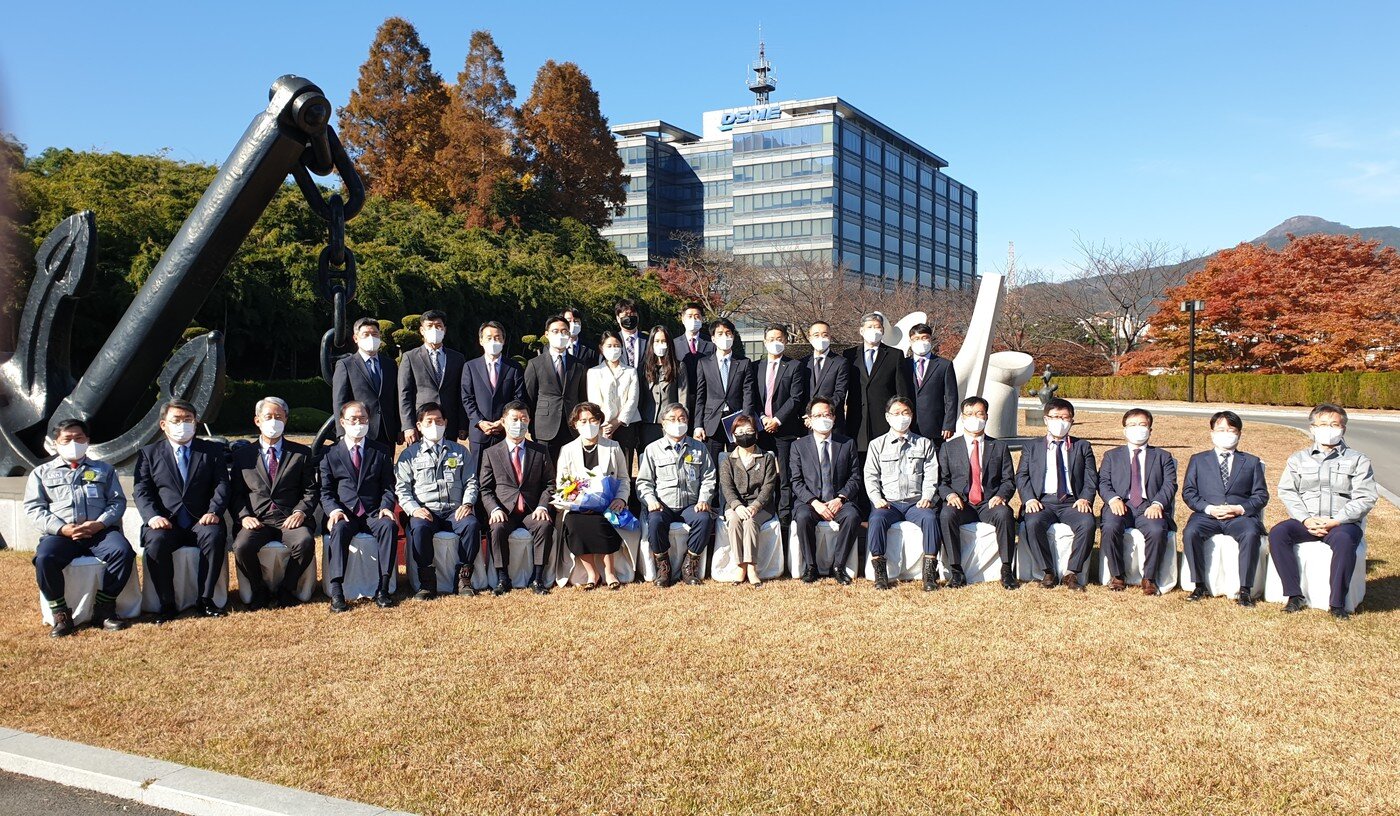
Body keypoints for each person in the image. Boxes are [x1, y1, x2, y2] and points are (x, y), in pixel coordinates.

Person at [25, 419, 134, 636]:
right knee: (45, 558)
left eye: (79, 438)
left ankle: (104, 608)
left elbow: (117, 502)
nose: (74, 442)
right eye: (67, 439)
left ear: (87, 441)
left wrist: (100, 523)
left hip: (99, 532)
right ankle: (61, 615)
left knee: (123, 552)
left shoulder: (104, 469)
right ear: (55, 443)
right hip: (62, 535)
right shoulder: (41, 473)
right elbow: (34, 509)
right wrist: (62, 528)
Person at [1268, 403, 1377, 618]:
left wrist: (1336, 520)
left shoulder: (1358, 460)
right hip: (1306, 522)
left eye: (1335, 425)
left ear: (1343, 429)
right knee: (1278, 532)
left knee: (1345, 541)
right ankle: (1294, 595)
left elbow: (1366, 497)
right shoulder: (1297, 459)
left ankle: (1337, 603)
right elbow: (1288, 492)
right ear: (1312, 428)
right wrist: (1306, 520)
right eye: (1323, 424)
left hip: (1341, 524)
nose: (1329, 428)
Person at [134, 399, 229, 623]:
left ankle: (205, 600)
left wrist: (214, 511)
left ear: (195, 424)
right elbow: (141, 490)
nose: (182, 424)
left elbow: (222, 485)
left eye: (188, 420)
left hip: (201, 519)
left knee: (214, 536)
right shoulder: (149, 453)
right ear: (163, 424)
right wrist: (153, 517)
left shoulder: (211, 451)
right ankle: (166, 603)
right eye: (176, 420)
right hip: (165, 522)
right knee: (156, 543)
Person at [229, 397, 318, 611]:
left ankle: (286, 589)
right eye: (268, 417)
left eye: (278, 417)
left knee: (305, 542)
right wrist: (244, 517)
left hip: (289, 519)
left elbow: (311, 490)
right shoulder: (243, 455)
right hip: (257, 521)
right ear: (257, 420)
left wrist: (300, 512)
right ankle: (259, 589)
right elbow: (236, 493)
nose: (273, 421)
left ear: (286, 420)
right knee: (241, 546)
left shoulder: (301, 453)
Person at [1181, 411, 1270, 606]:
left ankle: (1245, 590)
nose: (1226, 433)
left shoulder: (1251, 462)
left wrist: (1239, 509)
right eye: (1221, 430)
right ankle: (1199, 585)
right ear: (1212, 433)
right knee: (1191, 532)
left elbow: (1261, 495)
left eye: (1231, 430)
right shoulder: (1198, 459)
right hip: (1207, 516)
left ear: (1239, 434)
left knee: (1250, 534)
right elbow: (1188, 492)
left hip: (1239, 517)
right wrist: (1209, 509)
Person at [395, 402, 480, 600]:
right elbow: (402, 488)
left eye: (439, 421)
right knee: (419, 529)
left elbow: (471, 481)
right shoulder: (409, 455)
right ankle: (426, 583)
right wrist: (414, 509)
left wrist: (467, 503)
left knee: (472, 525)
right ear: (419, 425)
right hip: (426, 511)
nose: (435, 425)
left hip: (454, 510)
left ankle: (464, 579)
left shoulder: (460, 451)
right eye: (429, 421)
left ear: (446, 423)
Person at [320, 401, 398, 612]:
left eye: (363, 419)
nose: (359, 423)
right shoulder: (330, 453)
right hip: (345, 513)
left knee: (389, 526)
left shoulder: (380, 451)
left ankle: (383, 588)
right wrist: (334, 511)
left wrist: (386, 506)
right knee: (338, 529)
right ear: (343, 422)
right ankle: (337, 591)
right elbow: (325, 491)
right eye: (354, 419)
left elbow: (389, 487)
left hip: (373, 511)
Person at [1015, 397, 1098, 591]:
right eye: (1054, 417)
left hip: (1072, 502)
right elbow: (1022, 475)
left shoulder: (1082, 446)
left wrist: (1085, 498)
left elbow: (1091, 476)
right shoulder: (1032, 446)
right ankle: (1048, 571)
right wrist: (1029, 499)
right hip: (1042, 501)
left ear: (1071, 421)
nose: (1059, 422)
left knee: (1087, 523)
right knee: (1033, 522)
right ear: (1045, 419)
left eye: (1064, 417)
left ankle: (1072, 573)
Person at [937, 397, 1017, 590]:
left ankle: (1006, 569)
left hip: (988, 503)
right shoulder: (949, 447)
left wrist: (1001, 496)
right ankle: (956, 571)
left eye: (979, 414)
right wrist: (950, 496)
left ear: (986, 416)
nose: (975, 418)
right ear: (962, 418)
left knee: (1005, 514)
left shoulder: (999, 447)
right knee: (946, 514)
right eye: (970, 414)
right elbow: (941, 481)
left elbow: (1008, 480)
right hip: (961, 503)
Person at [636, 402, 717, 588]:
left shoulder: (699, 448)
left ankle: (690, 564)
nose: (677, 422)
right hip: (663, 505)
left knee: (704, 519)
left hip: (691, 504)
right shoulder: (652, 449)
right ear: (663, 424)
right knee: (655, 521)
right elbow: (644, 482)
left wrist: (704, 498)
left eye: (682, 419)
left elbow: (709, 477)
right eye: (672, 419)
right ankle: (663, 567)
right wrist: (651, 500)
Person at [1097, 409, 1177, 595]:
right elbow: (1103, 482)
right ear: (1124, 430)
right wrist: (1113, 499)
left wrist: (1158, 503)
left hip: (1149, 507)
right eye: (1132, 425)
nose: (1137, 429)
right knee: (1109, 527)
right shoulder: (1111, 455)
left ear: (1150, 429)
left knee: (1157, 529)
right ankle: (1117, 575)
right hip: (1120, 505)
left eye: (1142, 425)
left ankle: (1149, 578)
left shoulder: (1163, 456)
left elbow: (1170, 484)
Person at [479, 401, 555, 596]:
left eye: (524, 419)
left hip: (531, 510)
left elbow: (550, 484)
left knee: (544, 525)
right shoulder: (491, 453)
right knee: (497, 528)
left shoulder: (540, 451)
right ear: (503, 422)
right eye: (514, 419)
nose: (519, 424)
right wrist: (494, 509)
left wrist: (542, 506)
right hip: (505, 511)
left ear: (529, 421)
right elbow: (485, 488)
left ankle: (537, 578)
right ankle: (503, 578)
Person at [864, 396, 940, 591]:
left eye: (905, 413)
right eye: (896, 413)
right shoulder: (877, 445)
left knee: (930, 518)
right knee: (877, 520)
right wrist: (877, 499)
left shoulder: (924, 444)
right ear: (888, 417)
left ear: (912, 416)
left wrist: (927, 497)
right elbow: (870, 476)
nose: (901, 417)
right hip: (889, 503)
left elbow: (932, 474)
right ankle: (880, 573)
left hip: (916, 503)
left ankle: (929, 574)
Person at [556, 402, 630, 589]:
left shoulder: (613, 447)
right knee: (574, 524)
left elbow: (623, 478)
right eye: (583, 421)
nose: (588, 424)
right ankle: (592, 573)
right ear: (575, 424)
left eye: (593, 420)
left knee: (604, 520)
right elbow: (562, 483)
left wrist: (620, 498)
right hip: (578, 506)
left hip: (608, 504)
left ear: (599, 421)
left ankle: (610, 572)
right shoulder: (567, 450)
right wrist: (575, 499)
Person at [789, 397, 862, 584]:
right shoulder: (798, 446)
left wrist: (841, 499)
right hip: (811, 502)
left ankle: (839, 565)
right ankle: (811, 566)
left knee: (852, 516)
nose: (823, 418)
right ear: (810, 420)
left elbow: (855, 477)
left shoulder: (847, 444)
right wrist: (815, 503)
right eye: (817, 415)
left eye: (826, 414)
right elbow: (796, 481)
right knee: (803, 517)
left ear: (834, 417)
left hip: (838, 501)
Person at [754, 324, 807, 530]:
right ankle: (764, 509)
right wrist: (761, 418)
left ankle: (784, 513)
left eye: (780, 339)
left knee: (785, 473)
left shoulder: (794, 366)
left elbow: (796, 397)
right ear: (765, 341)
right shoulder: (755, 366)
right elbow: (752, 396)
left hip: (785, 428)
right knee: (762, 473)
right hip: (761, 428)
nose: (775, 343)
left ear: (785, 341)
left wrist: (777, 419)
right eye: (771, 339)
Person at [719, 414, 779, 586]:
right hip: (735, 505)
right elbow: (727, 487)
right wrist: (737, 506)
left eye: (749, 430)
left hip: (761, 506)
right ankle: (740, 565)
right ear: (733, 435)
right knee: (735, 520)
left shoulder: (767, 457)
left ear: (756, 434)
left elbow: (769, 486)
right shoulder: (727, 460)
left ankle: (751, 566)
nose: (744, 434)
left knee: (751, 522)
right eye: (740, 431)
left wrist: (756, 506)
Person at [843, 312, 909, 463]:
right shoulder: (849, 355)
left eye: (877, 327)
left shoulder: (895, 355)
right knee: (859, 462)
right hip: (857, 418)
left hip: (884, 419)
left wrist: (901, 416)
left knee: (885, 461)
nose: (874, 330)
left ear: (883, 331)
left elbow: (901, 391)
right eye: (870, 327)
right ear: (861, 330)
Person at [398, 309, 466, 444]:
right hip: (422, 423)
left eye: (438, 326)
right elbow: (404, 393)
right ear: (422, 330)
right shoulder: (410, 357)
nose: (434, 329)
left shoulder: (457, 358)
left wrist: (463, 425)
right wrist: (408, 426)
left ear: (444, 330)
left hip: (448, 423)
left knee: (449, 461)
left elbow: (462, 393)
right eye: (429, 326)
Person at [525, 314, 587, 460]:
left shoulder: (579, 365)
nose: (561, 334)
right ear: (546, 334)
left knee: (571, 473)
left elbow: (583, 397)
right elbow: (529, 398)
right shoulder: (535, 364)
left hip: (571, 427)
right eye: (555, 331)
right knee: (546, 473)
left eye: (564, 331)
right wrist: (531, 426)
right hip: (545, 427)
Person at [693, 318, 756, 463]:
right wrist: (698, 425)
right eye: (720, 334)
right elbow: (700, 396)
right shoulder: (704, 363)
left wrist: (746, 422)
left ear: (733, 336)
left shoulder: (744, 363)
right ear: (713, 339)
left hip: (736, 421)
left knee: (738, 463)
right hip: (712, 422)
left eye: (728, 333)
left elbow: (748, 394)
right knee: (712, 465)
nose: (725, 337)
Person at [332, 317, 401, 446]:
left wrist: (399, 428)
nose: (371, 337)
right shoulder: (346, 365)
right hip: (358, 429)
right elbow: (339, 401)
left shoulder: (390, 364)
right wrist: (342, 432)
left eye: (375, 334)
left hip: (387, 432)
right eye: (366, 334)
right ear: (356, 338)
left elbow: (395, 397)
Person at [462, 321, 527, 453]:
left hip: (505, 431)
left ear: (503, 340)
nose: (493, 341)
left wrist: (503, 421)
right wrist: (479, 421)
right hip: (479, 433)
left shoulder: (514, 367)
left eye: (497, 337)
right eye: (489, 338)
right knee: (477, 472)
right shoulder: (470, 366)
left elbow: (518, 398)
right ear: (481, 341)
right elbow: (467, 398)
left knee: (504, 472)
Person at [586, 330, 641, 470]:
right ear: (601, 348)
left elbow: (633, 399)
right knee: (603, 466)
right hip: (602, 426)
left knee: (624, 465)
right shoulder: (594, 372)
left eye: (616, 345)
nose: (613, 349)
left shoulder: (630, 371)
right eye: (609, 346)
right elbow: (594, 400)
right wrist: (605, 424)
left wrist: (618, 421)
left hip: (625, 425)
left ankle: (625, 492)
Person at [900, 323, 958, 448]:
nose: (920, 341)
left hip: (935, 428)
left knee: (935, 464)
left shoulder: (944, 365)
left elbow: (951, 397)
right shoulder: (902, 365)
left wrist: (949, 424)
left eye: (924, 337)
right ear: (910, 341)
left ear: (931, 339)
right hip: (907, 424)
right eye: (916, 338)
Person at [640, 325, 690, 449]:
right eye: (657, 341)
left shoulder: (679, 367)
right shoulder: (643, 367)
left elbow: (683, 397)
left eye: (663, 341)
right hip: (648, 423)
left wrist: (681, 421)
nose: (660, 344)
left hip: (671, 423)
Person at [802, 320, 849, 434]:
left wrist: (823, 413)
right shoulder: (803, 363)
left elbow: (840, 393)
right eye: (816, 335)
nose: (821, 338)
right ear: (809, 337)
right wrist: (809, 416)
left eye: (825, 335)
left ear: (830, 337)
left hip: (831, 420)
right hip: (807, 422)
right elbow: (799, 393)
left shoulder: (840, 362)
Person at [673, 301, 714, 416]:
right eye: (690, 316)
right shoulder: (674, 344)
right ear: (683, 319)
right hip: (682, 399)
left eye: (697, 316)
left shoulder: (711, 343)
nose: (694, 320)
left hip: (706, 400)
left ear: (702, 319)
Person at [614, 298, 649, 368]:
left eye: (632, 315)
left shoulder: (647, 340)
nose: (629, 318)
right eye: (625, 315)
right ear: (618, 318)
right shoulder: (613, 340)